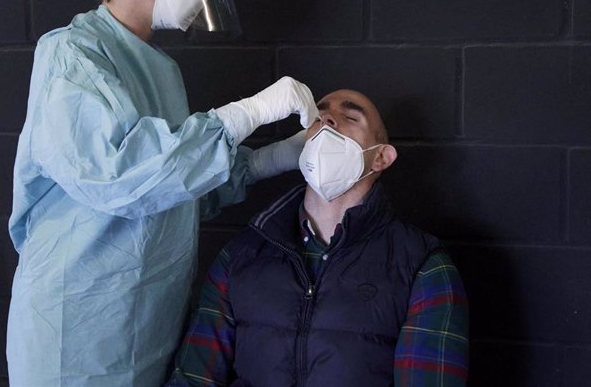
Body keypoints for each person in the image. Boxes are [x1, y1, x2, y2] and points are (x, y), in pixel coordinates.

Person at [6, 0, 317, 387]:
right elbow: (120, 175)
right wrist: (251, 112)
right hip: (76, 328)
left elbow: (175, 188)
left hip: (147, 323)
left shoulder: (161, 71)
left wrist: (276, 158)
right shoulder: (72, 57)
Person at [167, 89, 470, 387]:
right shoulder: (240, 257)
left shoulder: (422, 266)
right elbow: (193, 377)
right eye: (320, 113)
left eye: (350, 116)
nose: (328, 119)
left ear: (380, 158)